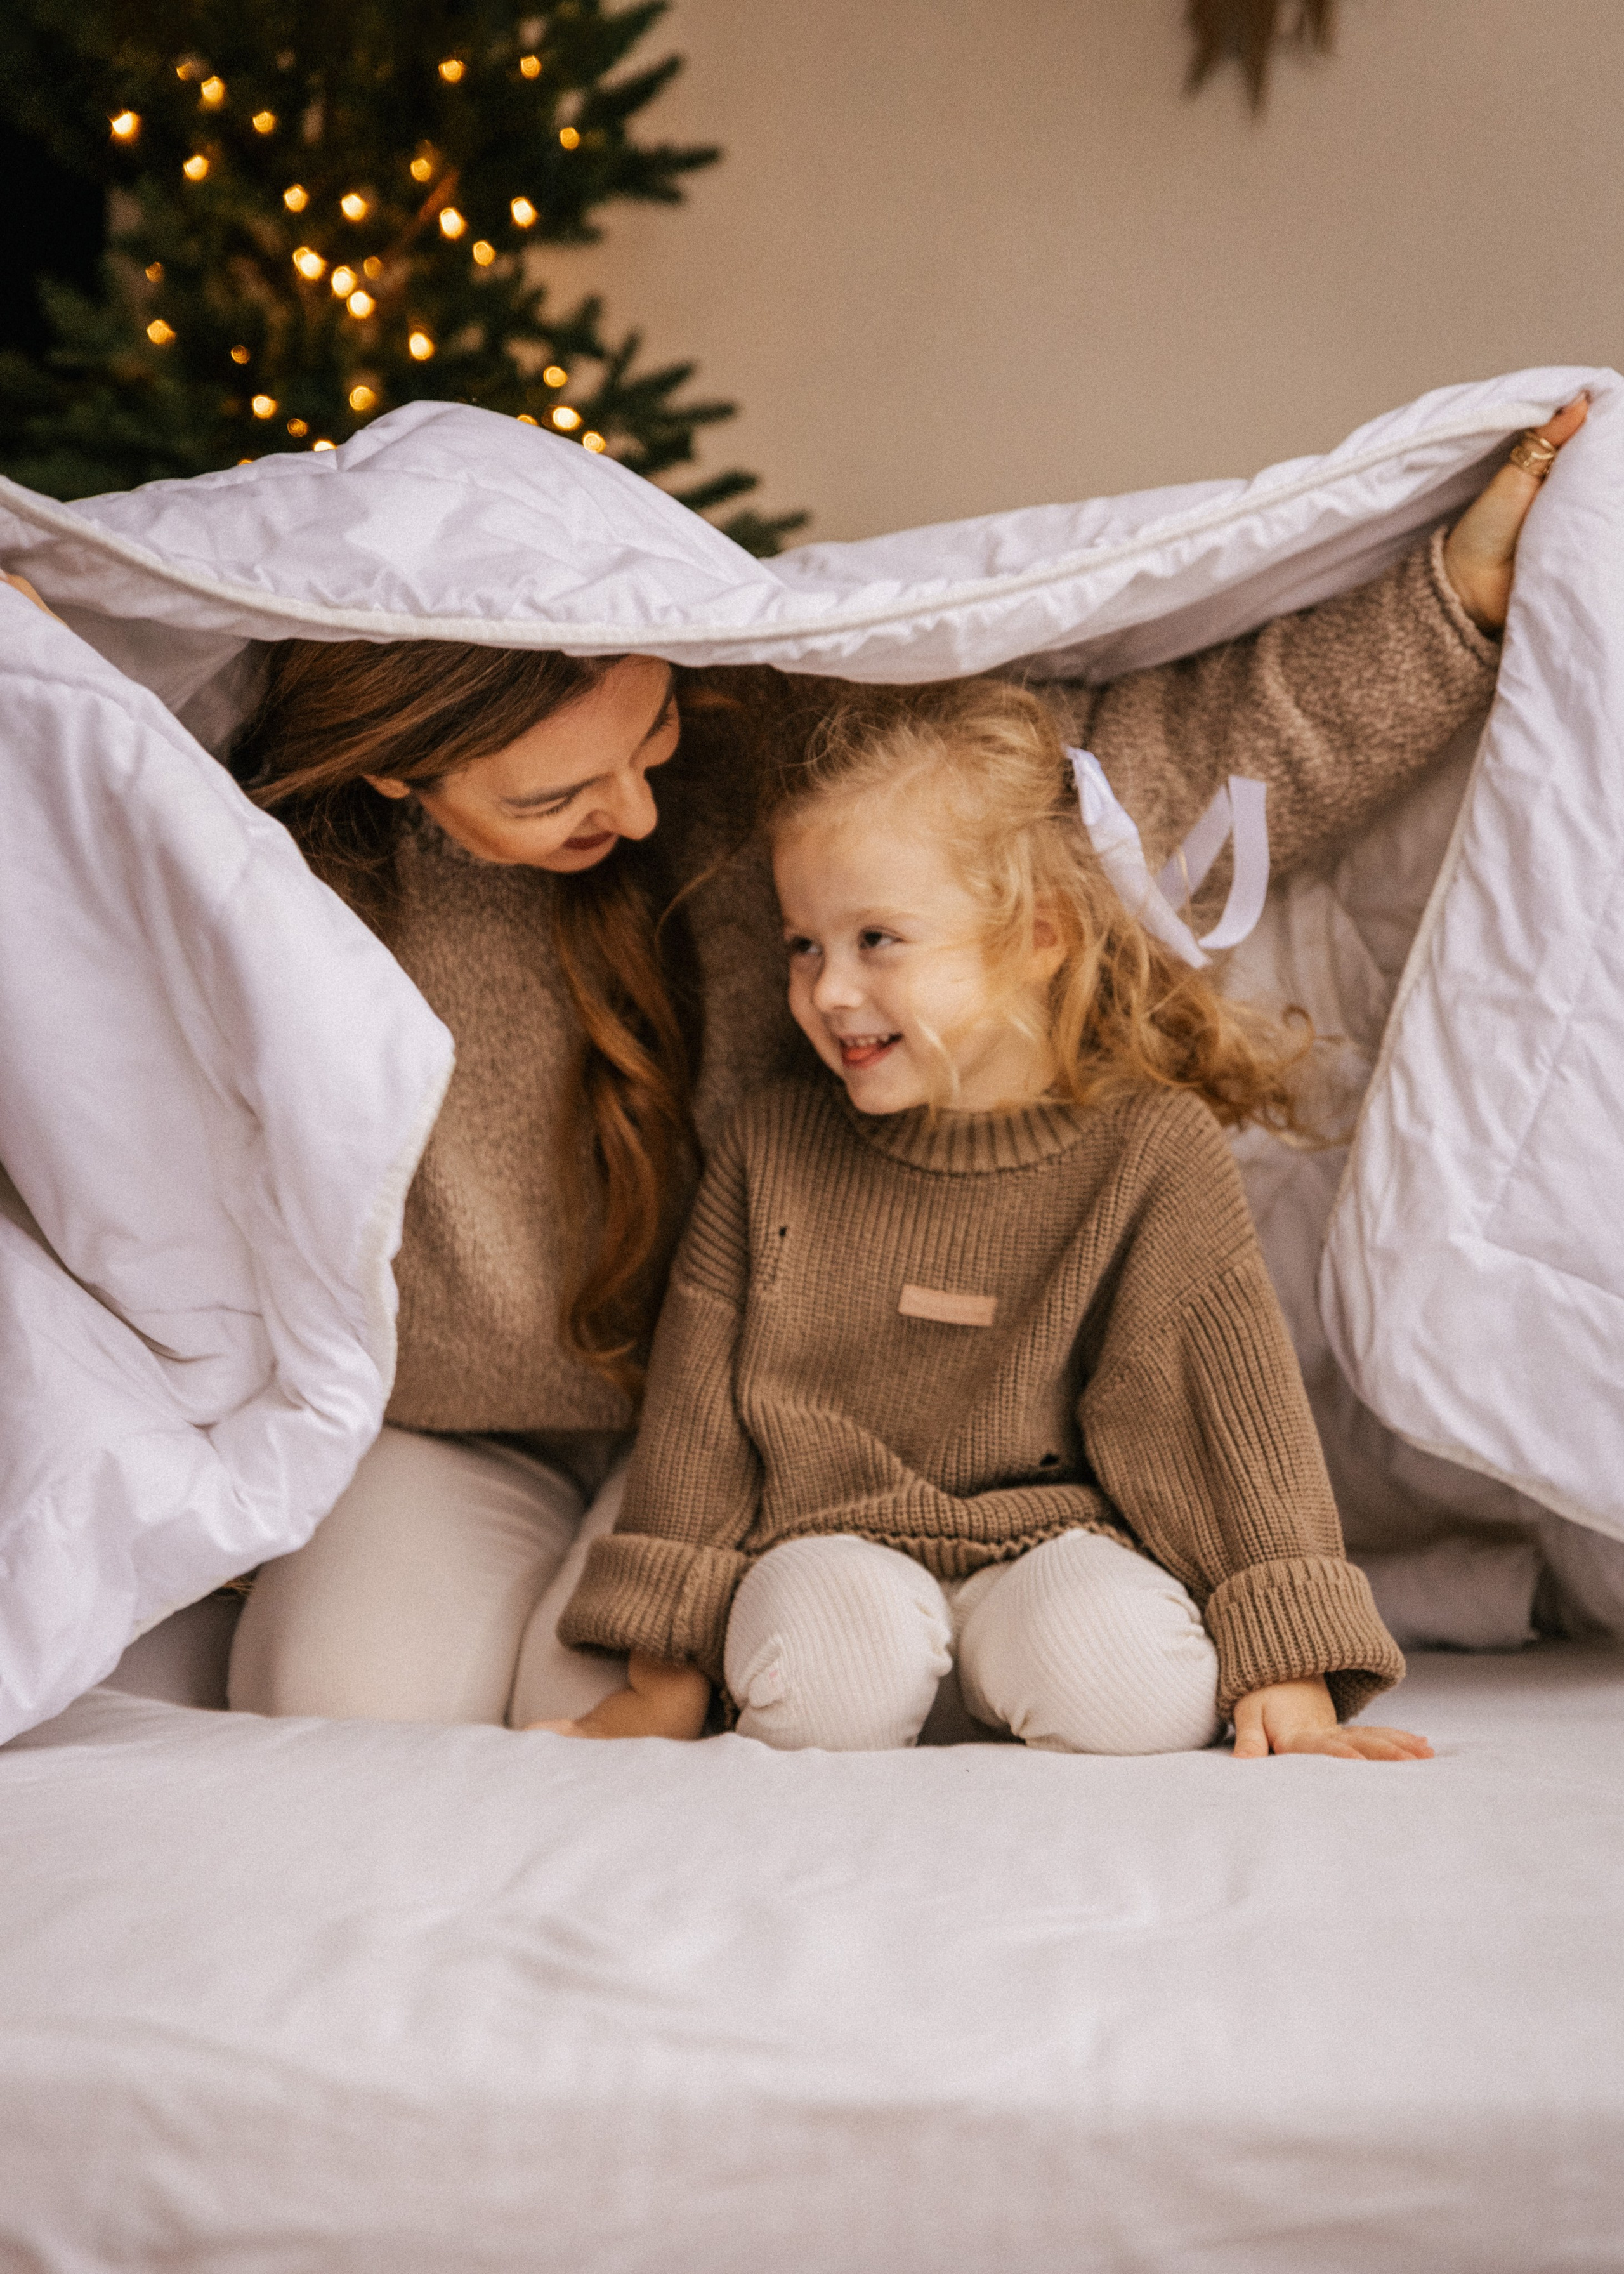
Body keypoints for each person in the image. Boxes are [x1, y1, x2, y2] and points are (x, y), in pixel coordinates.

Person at [205, 400, 1581, 1729]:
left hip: (730, 1422)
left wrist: (1444, 602)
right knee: (333, 1702)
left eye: (650, 737)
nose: (627, 810)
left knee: (610, 1705)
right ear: (398, 775)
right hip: (447, 1421)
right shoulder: (278, 869)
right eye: (555, 795)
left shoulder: (775, 783)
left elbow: (1137, 777)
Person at [544, 671, 1427, 1758]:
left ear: (1038, 938)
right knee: (829, 1679)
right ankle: (898, 1705)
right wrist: (664, 1673)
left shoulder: (1150, 1150)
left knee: (1133, 1692)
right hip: (831, 1544)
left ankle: (1003, 1695)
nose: (827, 990)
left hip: (1055, 1545)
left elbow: (1224, 1412)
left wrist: (1289, 1667)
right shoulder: (773, 1147)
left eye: (879, 940)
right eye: (804, 944)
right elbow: (698, 1431)